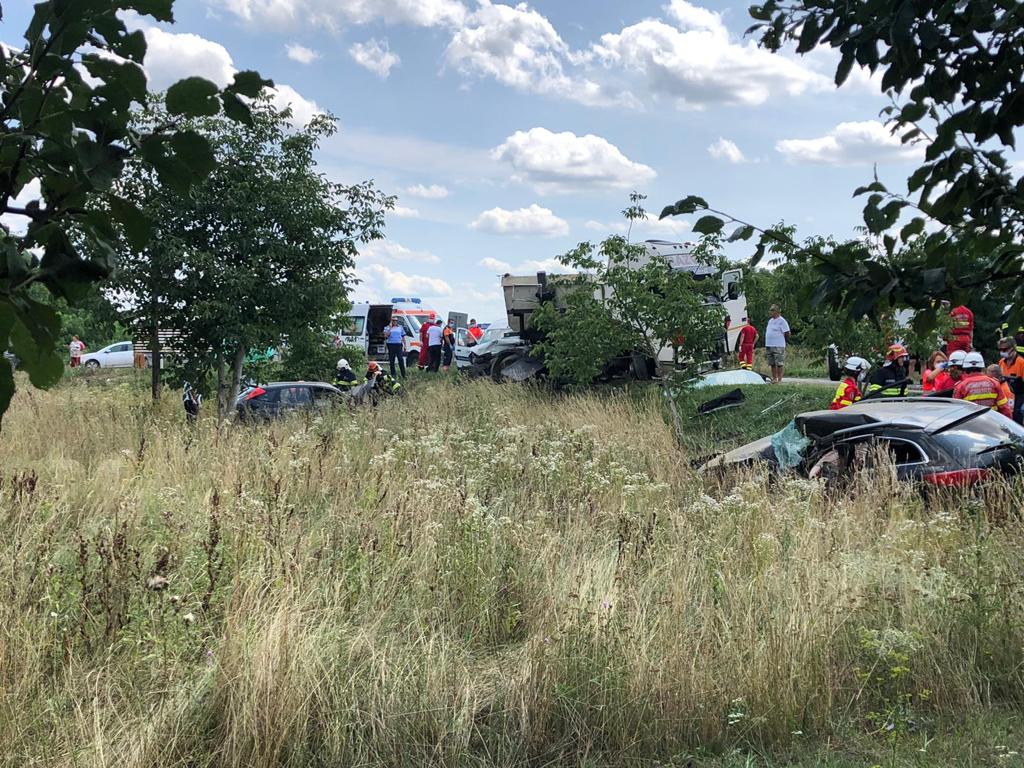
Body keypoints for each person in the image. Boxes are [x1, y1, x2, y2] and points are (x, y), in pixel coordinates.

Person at [953, 352, 1011, 417]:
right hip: (992, 421)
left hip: (971, 422)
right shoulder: (994, 383)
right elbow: (1005, 408)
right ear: (982, 367)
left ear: (965, 368)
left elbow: (956, 412)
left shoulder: (960, 386)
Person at [998, 336, 1024, 423]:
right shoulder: (1001, 362)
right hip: (1005, 397)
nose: (1002, 352)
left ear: (1013, 348)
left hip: (1019, 396)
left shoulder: (1021, 362)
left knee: (1017, 416)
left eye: (1004, 349)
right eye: (1000, 350)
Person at [764, 305, 790, 384]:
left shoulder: (782, 321)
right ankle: (774, 378)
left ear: (777, 312)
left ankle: (779, 379)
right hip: (769, 344)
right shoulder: (770, 321)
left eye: (772, 310)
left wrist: (785, 341)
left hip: (778, 345)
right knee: (772, 363)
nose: (770, 312)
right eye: (770, 310)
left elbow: (787, 332)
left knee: (779, 363)